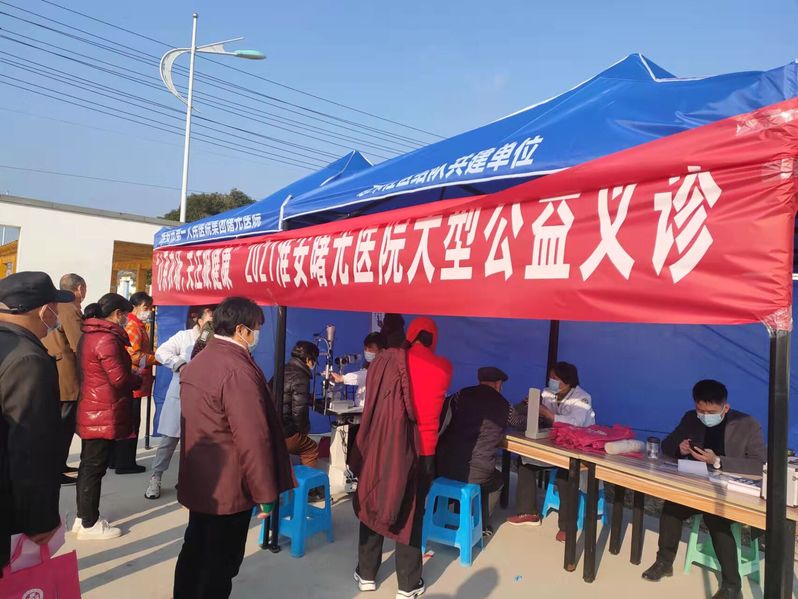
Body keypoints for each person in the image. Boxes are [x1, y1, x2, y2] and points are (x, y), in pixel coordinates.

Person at [173, 297, 294, 599]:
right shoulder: (237, 371)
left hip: (202, 478)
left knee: (195, 550)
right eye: (256, 328)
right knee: (219, 564)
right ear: (241, 330)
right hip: (228, 486)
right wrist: (265, 495)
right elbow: (253, 439)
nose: (257, 335)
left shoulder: (200, 360)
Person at [352, 317, 452, 598]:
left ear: (411, 334)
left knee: (373, 500)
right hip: (424, 452)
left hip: (387, 446)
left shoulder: (390, 360)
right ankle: (408, 584)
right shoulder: (444, 367)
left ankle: (366, 574)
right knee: (412, 513)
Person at [642, 380, 764, 599]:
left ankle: (732, 585)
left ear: (725, 408)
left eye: (711, 412)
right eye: (701, 411)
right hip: (698, 486)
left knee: (715, 518)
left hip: (730, 492)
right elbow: (667, 445)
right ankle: (664, 562)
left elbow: (759, 464)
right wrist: (679, 449)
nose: (705, 415)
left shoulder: (747, 424)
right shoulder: (691, 418)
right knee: (671, 507)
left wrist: (717, 461)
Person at [0, 272, 73, 568]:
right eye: (56, 306)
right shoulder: (28, 360)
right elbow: (30, 448)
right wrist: (40, 518)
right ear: (44, 310)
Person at [74, 293, 142, 540]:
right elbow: (119, 378)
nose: (126, 320)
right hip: (102, 411)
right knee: (94, 468)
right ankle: (90, 523)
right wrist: (137, 377)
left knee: (88, 466)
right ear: (117, 314)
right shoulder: (106, 339)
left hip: (94, 407)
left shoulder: (90, 334)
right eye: (125, 315)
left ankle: (83, 517)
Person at [506, 361, 594, 542]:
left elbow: (575, 423)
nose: (550, 380)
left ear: (567, 381)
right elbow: (540, 415)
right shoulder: (547, 392)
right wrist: (529, 404)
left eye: (555, 378)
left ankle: (567, 527)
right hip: (556, 444)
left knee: (566, 475)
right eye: (550, 377)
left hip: (578, 449)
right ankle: (528, 513)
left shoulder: (583, 398)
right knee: (525, 461)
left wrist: (547, 413)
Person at [144, 305, 214, 500]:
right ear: (199, 319)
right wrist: (179, 364)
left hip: (205, 397)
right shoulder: (184, 337)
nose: (213, 320)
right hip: (181, 394)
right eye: (210, 316)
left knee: (197, 443)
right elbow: (161, 352)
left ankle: (188, 480)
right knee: (169, 440)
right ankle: (156, 478)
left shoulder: (216, 340)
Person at [436, 367, 511, 537]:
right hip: (478, 472)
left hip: (444, 464)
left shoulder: (460, 394)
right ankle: (481, 524)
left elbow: (443, 414)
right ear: (498, 384)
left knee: (463, 473)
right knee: (497, 479)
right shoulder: (504, 404)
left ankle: (452, 511)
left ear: (479, 380)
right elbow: (518, 422)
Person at [42, 273, 87, 486]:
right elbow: (79, 344)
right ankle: (55, 469)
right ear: (80, 288)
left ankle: (59, 465)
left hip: (58, 370)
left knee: (63, 424)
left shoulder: (57, 305)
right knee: (63, 425)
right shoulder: (68, 307)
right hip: (67, 375)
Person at [115, 291, 156, 474]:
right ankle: (125, 462)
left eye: (150, 308)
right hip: (134, 381)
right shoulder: (133, 327)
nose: (148, 311)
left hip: (137, 381)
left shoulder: (138, 325)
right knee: (131, 422)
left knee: (131, 420)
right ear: (135, 307)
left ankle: (122, 460)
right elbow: (135, 355)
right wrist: (157, 358)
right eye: (146, 307)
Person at [277, 340, 320, 467]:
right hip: (285, 431)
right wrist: (304, 431)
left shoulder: (283, 369)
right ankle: (308, 479)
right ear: (308, 360)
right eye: (314, 360)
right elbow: (299, 411)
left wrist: (308, 398)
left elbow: (286, 394)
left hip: (272, 426)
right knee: (311, 449)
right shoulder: (301, 376)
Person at [331, 331, 388, 406]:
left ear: (382, 351)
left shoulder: (385, 367)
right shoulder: (368, 365)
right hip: (361, 409)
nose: (367, 351)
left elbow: (367, 376)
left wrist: (342, 378)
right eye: (365, 348)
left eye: (370, 349)